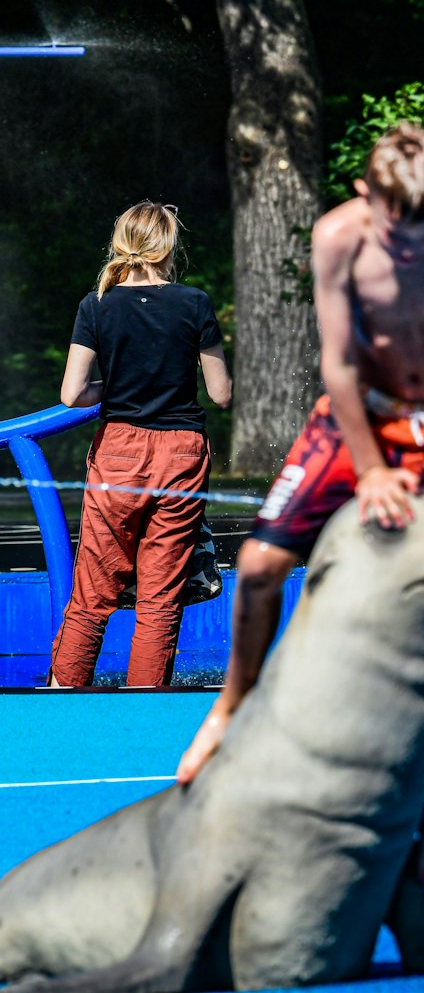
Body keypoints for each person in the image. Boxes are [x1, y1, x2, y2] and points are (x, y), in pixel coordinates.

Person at [176, 124, 424, 782]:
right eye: (397, 226)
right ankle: (234, 703)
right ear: (364, 193)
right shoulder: (336, 237)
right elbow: (340, 363)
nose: (413, 244)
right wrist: (374, 468)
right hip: (361, 417)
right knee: (262, 562)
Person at [46, 203, 231, 688]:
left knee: (93, 590)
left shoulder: (97, 304)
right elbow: (221, 393)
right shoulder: (195, 303)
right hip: (182, 454)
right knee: (160, 595)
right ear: (169, 247)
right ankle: (144, 705)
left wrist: (119, 383)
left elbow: (71, 395)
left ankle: (62, 698)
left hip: (119, 453)